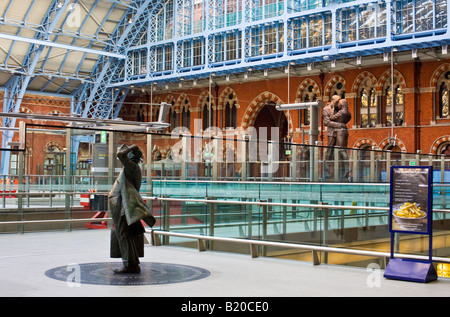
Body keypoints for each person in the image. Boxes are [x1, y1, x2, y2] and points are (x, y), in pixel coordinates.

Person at [109, 144, 155, 274]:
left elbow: (120, 155)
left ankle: (128, 264)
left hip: (123, 206)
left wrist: (132, 147)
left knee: (123, 235)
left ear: (131, 157)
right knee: (127, 235)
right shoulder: (132, 168)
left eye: (129, 154)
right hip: (122, 204)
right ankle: (133, 263)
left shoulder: (132, 167)